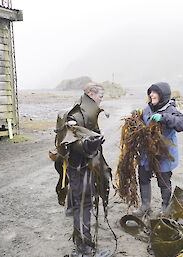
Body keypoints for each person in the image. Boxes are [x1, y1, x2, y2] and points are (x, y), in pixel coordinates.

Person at [54, 82, 111, 257]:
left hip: (85, 167)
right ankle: (83, 248)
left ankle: (83, 243)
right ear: (92, 94)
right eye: (100, 96)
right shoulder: (76, 115)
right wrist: (89, 145)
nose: (101, 100)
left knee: (82, 203)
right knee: (83, 205)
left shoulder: (86, 111)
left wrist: (91, 144)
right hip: (79, 168)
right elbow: (68, 144)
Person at [133, 82, 183, 216]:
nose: (151, 95)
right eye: (150, 92)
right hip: (147, 152)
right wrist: (135, 118)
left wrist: (164, 118)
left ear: (163, 95)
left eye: (155, 92)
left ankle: (165, 207)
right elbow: (141, 123)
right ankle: (145, 206)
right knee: (143, 177)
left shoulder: (170, 110)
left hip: (164, 154)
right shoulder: (147, 109)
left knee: (163, 181)